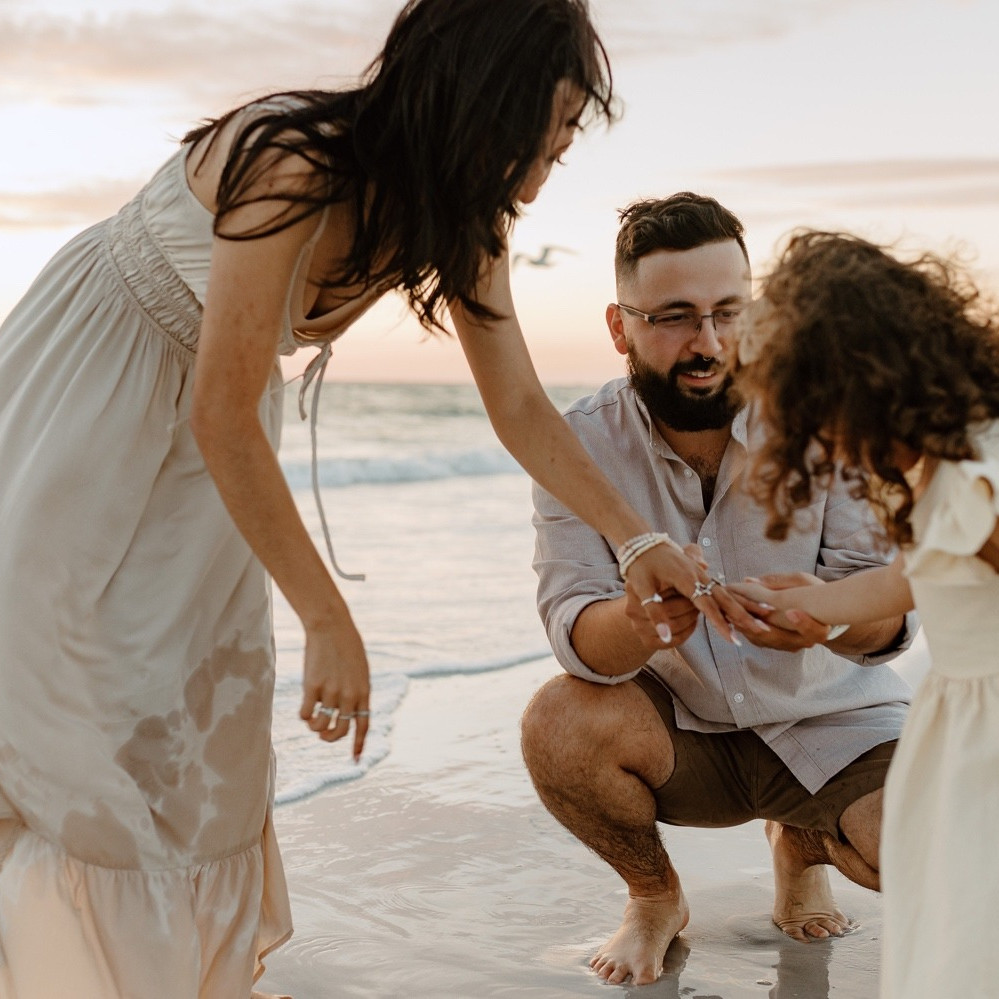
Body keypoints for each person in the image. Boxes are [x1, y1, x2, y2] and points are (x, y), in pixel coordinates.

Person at [0, 4, 756, 996]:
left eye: (559, 151)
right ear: (477, 95)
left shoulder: (464, 220)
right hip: (96, 398)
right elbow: (219, 413)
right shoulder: (292, 158)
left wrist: (635, 536)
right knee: (62, 709)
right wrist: (328, 617)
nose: (537, 176)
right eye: (538, 137)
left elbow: (522, 405)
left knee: (190, 739)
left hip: (210, 454)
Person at [522, 194, 916, 987]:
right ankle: (654, 896)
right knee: (557, 722)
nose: (705, 344)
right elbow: (573, 628)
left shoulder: (821, 421)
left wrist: (826, 622)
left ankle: (801, 844)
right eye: (672, 317)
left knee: (923, 857)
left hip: (834, 716)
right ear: (618, 326)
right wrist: (638, 621)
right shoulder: (576, 443)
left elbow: (887, 615)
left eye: (725, 313)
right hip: (683, 731)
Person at [729, 230, 999, 999]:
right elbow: (906, 580)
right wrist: (808, 606)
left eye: (818, 413)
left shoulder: (979, 475)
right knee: (953, 928)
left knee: (973, 944)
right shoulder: (939, 468)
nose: (825, 442)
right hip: (962, 734)